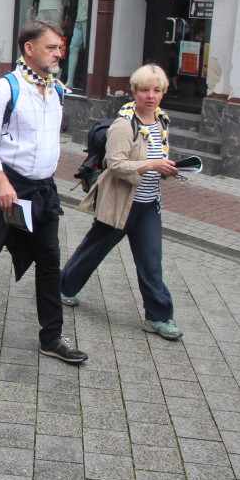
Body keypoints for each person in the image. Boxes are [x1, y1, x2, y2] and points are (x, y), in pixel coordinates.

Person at [0, 19, 87, 364]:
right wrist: (2, 183)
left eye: (60, 47)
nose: (59, 53)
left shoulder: (56, 89)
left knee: (50, 260)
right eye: (51, 47)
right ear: (29, 48)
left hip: (41, 192)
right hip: (5, 187)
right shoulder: (6, 88)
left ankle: (51, 337)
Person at [59, 64, 183, 339]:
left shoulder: (162, 121)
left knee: (151, 262)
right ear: (134, 92)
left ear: (162, 93)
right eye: (144, 90)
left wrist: (169, 170)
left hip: (148, 205)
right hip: (121, 203)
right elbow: (115, 164)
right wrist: (153, 165)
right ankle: (63, 286)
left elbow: (155, 160)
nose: (150, 95)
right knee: (93, 250)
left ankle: (159, 317)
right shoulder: (124, 124)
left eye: (156, 90)